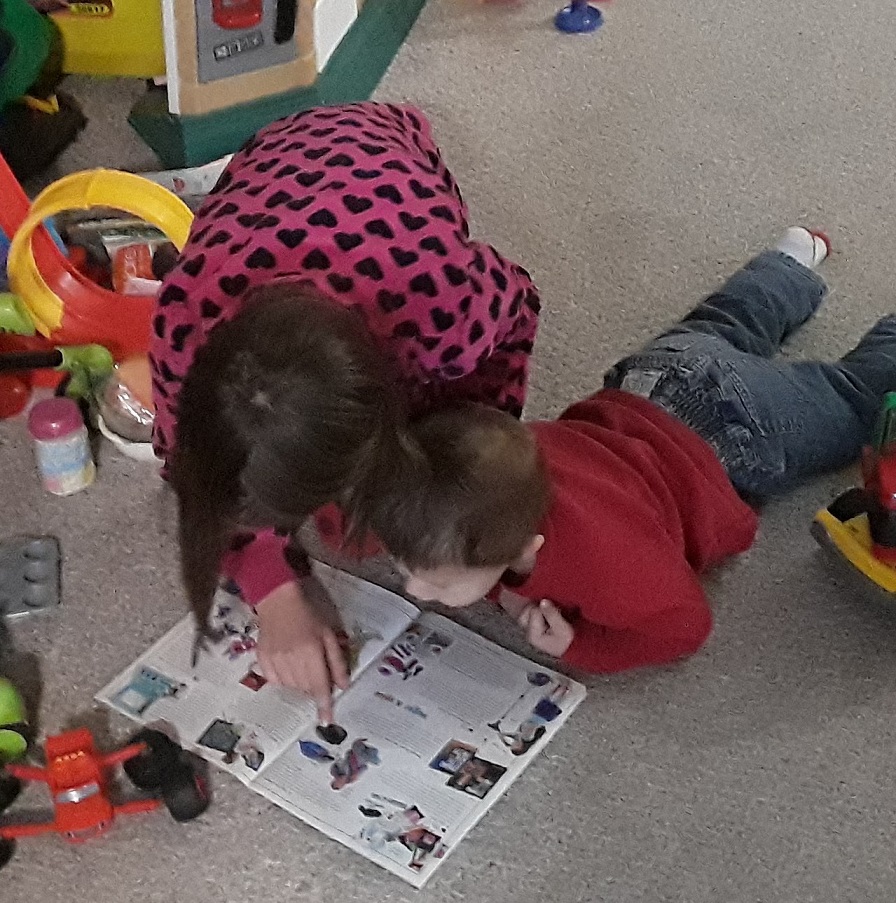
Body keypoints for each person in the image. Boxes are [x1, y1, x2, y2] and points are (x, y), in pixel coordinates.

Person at [149, 102, 541, 720]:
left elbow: (519, 306)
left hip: (382, 144)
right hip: (268, 162)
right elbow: (195, 477)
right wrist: (273, 594)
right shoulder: (180, 327)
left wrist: (467, 443)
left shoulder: (440, 302)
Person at [369, 228, 896, 671]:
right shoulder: (496, 468)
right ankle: (791, 257)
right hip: (654, 377)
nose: (414, 589)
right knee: (728, 323)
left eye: (437, 579)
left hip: (736, 431)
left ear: (529, 547)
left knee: (853, 401)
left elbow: (684, 625)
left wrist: (582, 647)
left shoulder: (606, 563)